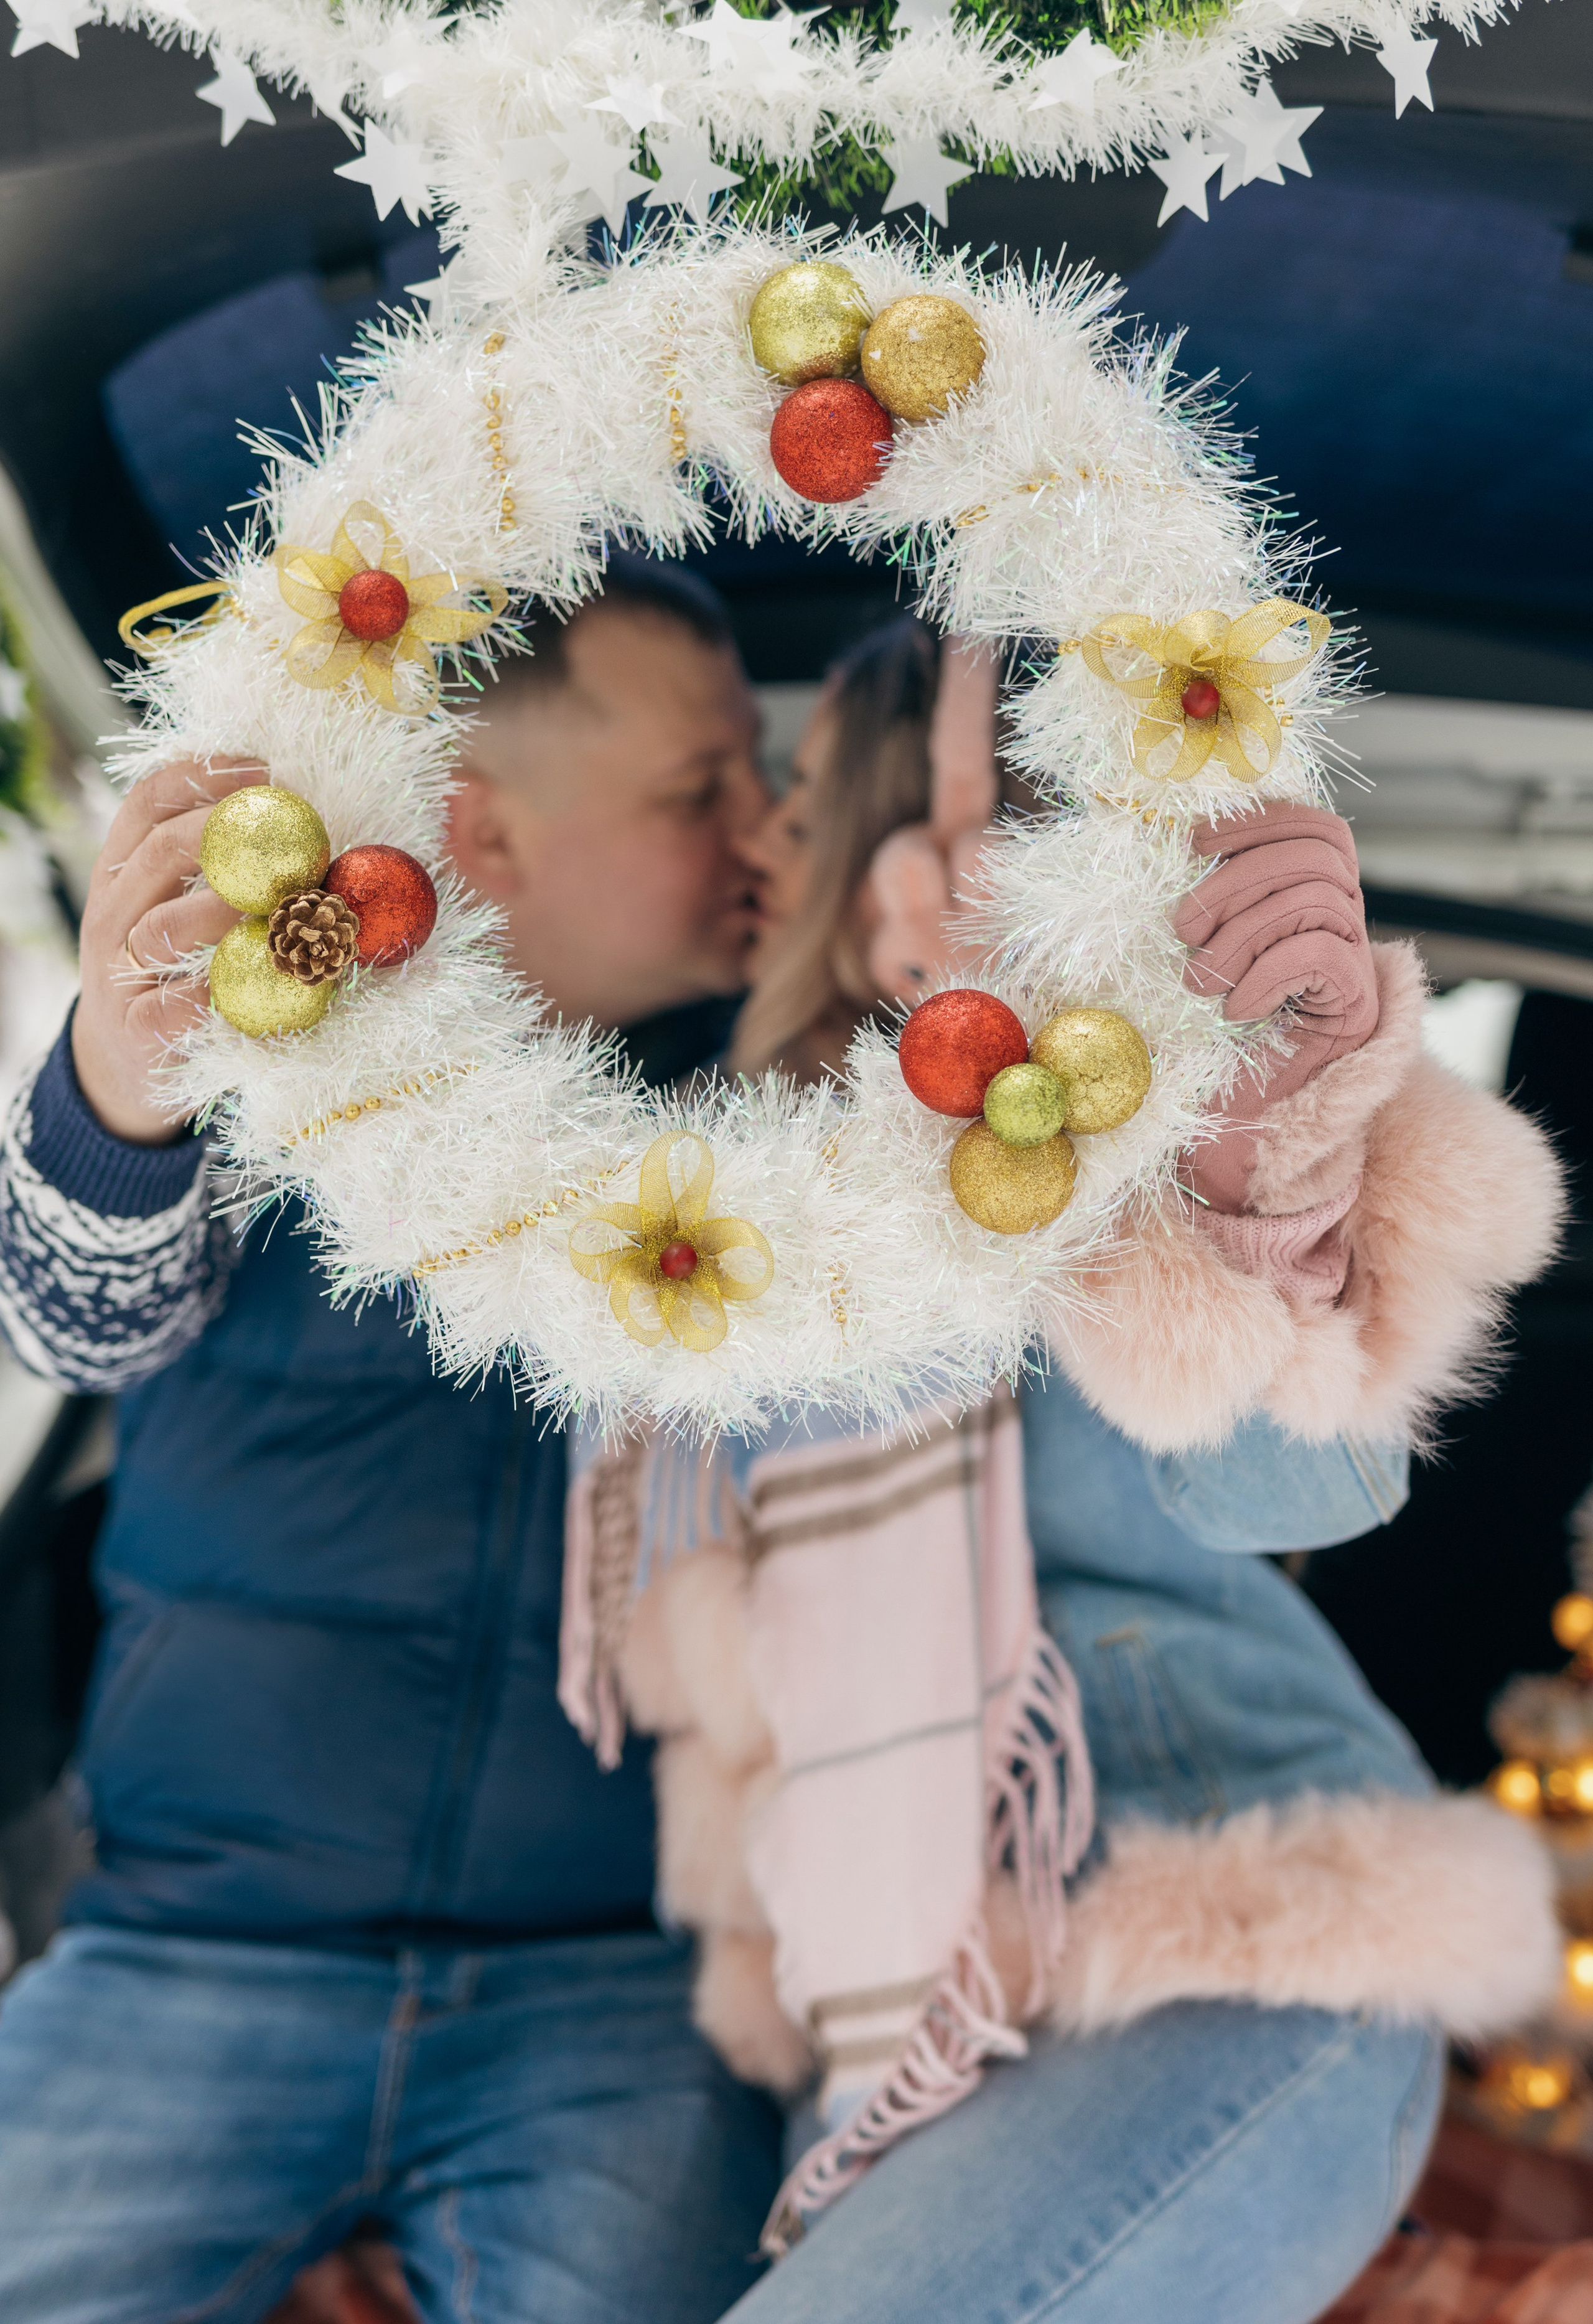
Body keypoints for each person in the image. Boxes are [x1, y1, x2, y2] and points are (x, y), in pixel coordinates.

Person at [0, 596, 1560, 2324]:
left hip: (621, 2001)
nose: (756, 830)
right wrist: (113, 1086)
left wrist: (1231, 1135)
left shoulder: (840, 1148)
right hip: (197, 1945)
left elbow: (1279, 1455)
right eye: (703, 789)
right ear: (481, 828)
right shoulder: (288, 1079)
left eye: (780, 787)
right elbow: (71, 1314)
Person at [574, 616, 1560, 2324]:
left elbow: (1306, 1486)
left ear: (914, 839)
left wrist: (1245, 1178)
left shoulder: (1106, 1124)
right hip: (912, 2057)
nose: (771, 829)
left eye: (808, 787)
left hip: (1239, 1957)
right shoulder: (740, 1229)